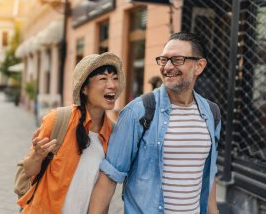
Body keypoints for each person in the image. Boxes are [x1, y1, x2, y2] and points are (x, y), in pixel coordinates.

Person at [89, 32, 221, 214]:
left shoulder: (211, 112)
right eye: (164, 60)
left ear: (199, 66)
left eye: (177, 60)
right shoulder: (137, 111)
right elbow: (108, 178)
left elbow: (208, 174)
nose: (167, 67)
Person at [17, 52, 125, 214]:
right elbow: (30, 171)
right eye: (103, 79)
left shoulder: (114, 133)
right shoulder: (58, 119)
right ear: (85, 89)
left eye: (115, 78)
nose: (112, 85)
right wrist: (37, 156)